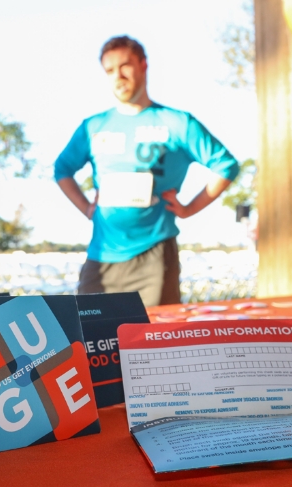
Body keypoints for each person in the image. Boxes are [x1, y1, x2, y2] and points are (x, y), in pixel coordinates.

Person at [54, 36, 239, 307]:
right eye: (109, 70)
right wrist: (86, 208)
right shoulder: (93, 126)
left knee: (154, 343)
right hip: (101, 255)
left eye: (125, 65)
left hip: (154, 254)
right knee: (88, 337)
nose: (118, 76)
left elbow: (226, 165)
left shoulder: (177, 122)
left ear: (143, 65)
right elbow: (62, 169)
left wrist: (188, 209)